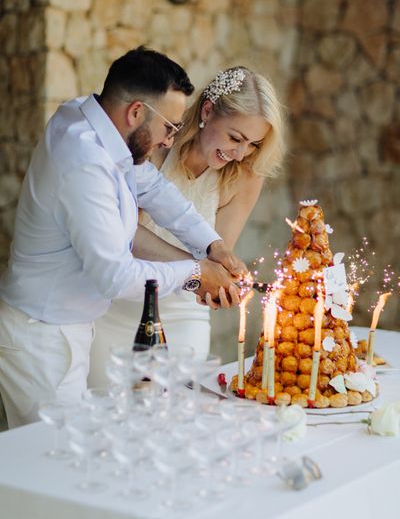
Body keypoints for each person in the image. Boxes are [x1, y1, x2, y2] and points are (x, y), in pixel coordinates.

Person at [0, 47, 246, 429]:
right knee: (56, 469)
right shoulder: (84, 162)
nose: (170, 141)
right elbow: (115, 275)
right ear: (135, 112)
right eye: (169, 128)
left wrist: (213, 245)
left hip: (64, 330)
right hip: (43, 339)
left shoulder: (92, 120)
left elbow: (154, 189)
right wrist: (194, 273)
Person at [89, 66, 285, 387]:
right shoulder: (154, 145)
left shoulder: (247, 175)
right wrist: (198, 270)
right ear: (207, 111)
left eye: (253, 144)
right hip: (117, 310)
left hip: (183, 315)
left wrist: (220, 283)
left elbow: (217, 255)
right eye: (235, 137)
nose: (240, 153)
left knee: (176, 419)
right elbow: (125, 235)